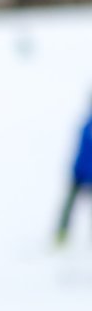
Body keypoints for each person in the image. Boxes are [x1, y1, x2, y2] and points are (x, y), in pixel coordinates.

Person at [55, 102, 92, 243]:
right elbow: (82, 152)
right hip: (79, 172)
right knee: (69, 205)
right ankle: (61, 233)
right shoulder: (87, 125)